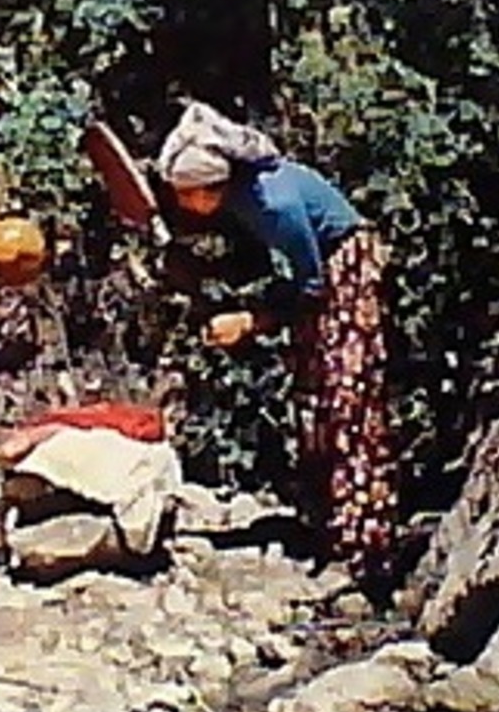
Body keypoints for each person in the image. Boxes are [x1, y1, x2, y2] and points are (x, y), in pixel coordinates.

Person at [155, 99, 397, 583]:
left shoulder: (274, 203)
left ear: (207, 189)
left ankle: (364, 548)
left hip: (345, 272)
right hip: (324, 278)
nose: (180, 203)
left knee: (345, 399)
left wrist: (251, 321)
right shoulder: (246, 199)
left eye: (184, 193)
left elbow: (312, 283)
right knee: (313, 398)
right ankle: (329, 528)